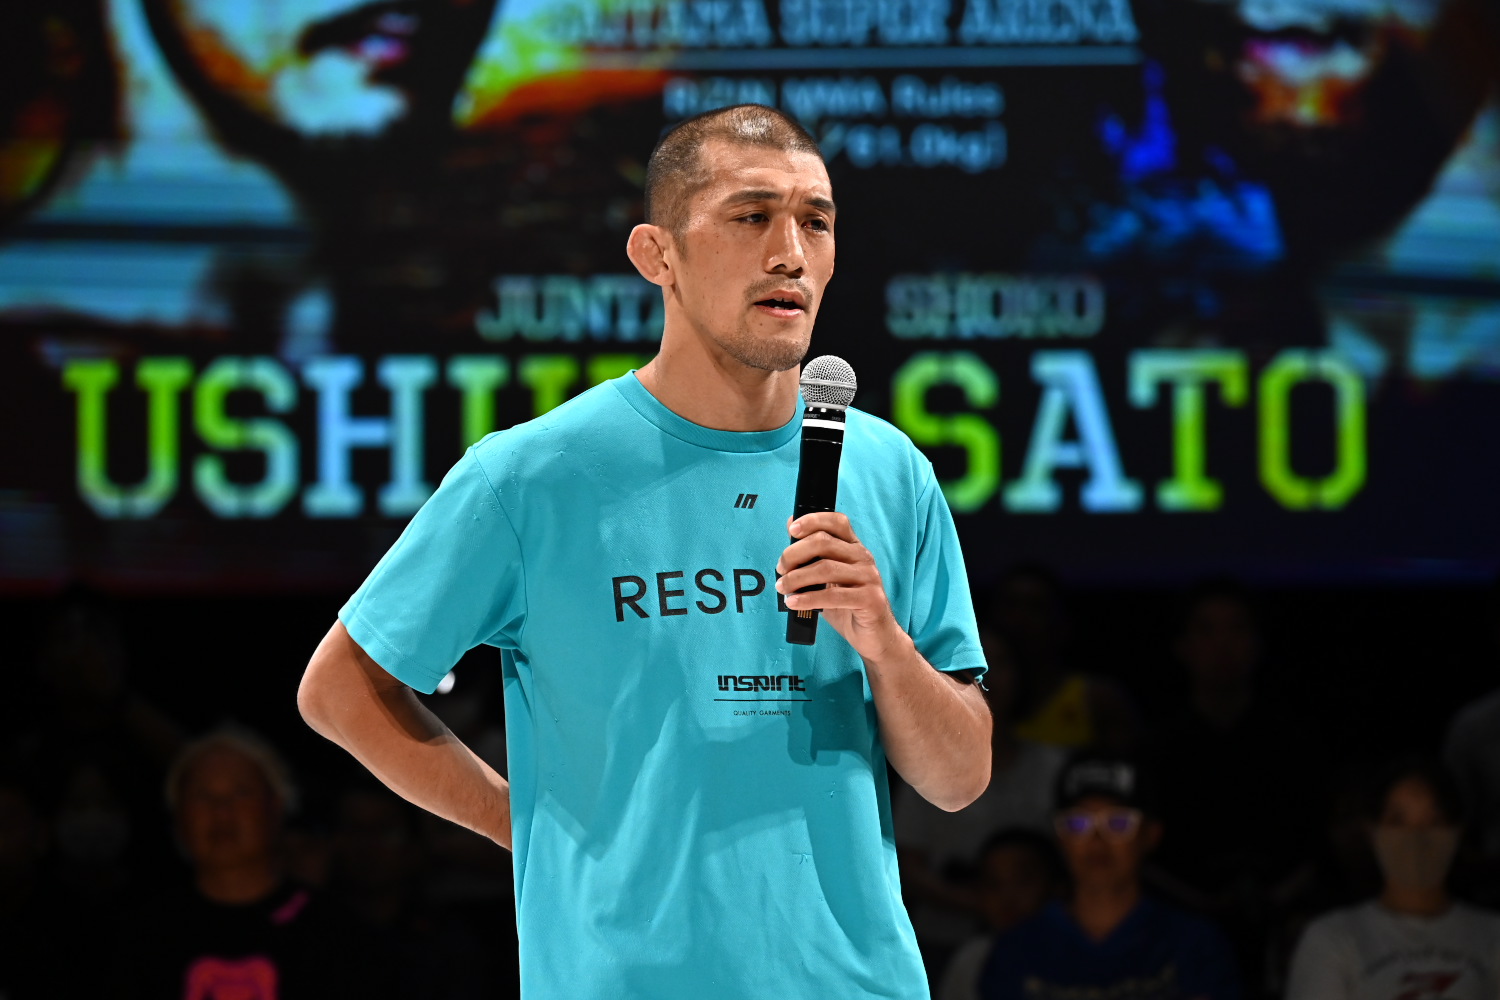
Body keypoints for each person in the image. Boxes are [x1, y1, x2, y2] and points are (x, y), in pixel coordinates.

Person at [296, 103, 993, 999]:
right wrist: (529, 828)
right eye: (752, 216)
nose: (790, 253)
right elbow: (340, 690)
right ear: (657, 254)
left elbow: (959, 780)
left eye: (815, 222)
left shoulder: (891, 473)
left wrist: (885, 645)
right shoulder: (533, 476)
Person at [111, 726, 393, 999]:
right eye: (202, 796)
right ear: (178, 814)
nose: (221, 812)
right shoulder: (142, 936)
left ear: (276, 807)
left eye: (241, 793)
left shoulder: (335, 935)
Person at [1146, 580, 1323, 995]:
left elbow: (1319, 843)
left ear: (1257, 644)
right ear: (1182, 646)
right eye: (1206, 630)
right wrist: (1201, 904)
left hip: (1283, 926)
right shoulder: (1156, 746)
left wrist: (1275, 899)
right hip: (1178, 926)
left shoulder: (1294, 741)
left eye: (1237, 629)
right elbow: (1144, 852)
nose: (1222, 644)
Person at [978, 753, 1242, 1000]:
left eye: (1118, 823)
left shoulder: (1193, 944)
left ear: (1150, 834)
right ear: (1059, 836)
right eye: (1078, 823)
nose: (1097, 841)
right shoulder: (1019, 949)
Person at [896, 629, 1067, 971]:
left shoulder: (1053, 767)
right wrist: (983, 903)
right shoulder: (920, 764)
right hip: (942, 943)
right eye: (970, 661)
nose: (985, 674)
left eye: (999, 662)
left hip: (1044, 941)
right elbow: (906, 868)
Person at [1285, 757, 1500, 1000]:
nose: (1416, 837)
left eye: (1433, 821)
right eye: (1397, 821)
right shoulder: (1332, 939)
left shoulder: (1493, 935)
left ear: (1456, 831)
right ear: (1372, 830)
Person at [936, 828, 1067, 1000]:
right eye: (993, 884)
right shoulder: (972, 959)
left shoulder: (1078, 954)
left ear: (1057, 886)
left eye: (1022, 882)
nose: (1007, 897)